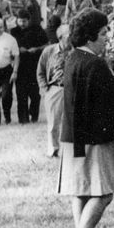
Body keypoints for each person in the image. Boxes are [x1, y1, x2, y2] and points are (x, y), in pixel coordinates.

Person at [59, 10, 114, 228]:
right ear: (89, 37)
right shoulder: (96, 64)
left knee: (81, 190)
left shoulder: (72, 59)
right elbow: (108, 105)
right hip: (95, 139)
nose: (107, 38)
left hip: (72, 137)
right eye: (103, 33)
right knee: (104, 193)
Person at [36, 24, 70, 157]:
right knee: (53, 122)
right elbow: (40, 71)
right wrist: (45, 89)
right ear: (61, 37)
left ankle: (70, 150)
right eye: (69, 35)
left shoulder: (76, 52)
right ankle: (54, 149)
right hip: (55, 88)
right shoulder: (49, 51)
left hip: (72, 90)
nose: (72, 38)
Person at [11, 9, 47, 124]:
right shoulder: (13, 32)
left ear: (29, 21)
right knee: (21, 94)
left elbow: (47, 44)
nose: (22, 24)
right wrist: (18, 49)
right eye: (20, 21)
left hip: (34, 66)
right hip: (20, 66)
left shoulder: (37, 29)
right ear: (17, 20)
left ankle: (34, 115)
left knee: (35, 94)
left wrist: (36, 49)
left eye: (24, 21)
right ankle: (23, 119)